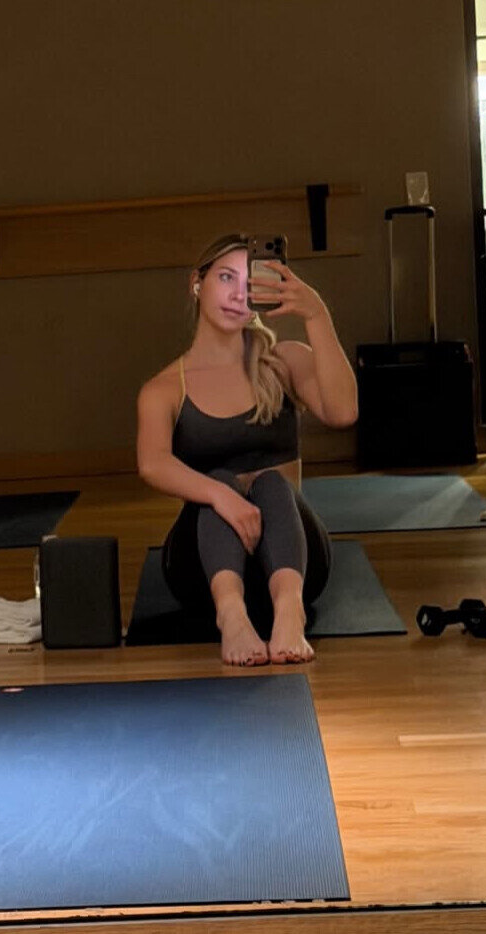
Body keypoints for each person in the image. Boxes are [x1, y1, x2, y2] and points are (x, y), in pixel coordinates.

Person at [136, 234, 358, 667]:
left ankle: (289, 614)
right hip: (204, 571)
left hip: (294, 559)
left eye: (247, 282)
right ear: (196, 283)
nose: (238, 293)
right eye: (225, 278)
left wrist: (316, 314)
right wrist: (221, 495)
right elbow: (152, 463)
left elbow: (344, 411)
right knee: (219, 482)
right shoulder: (163, 388)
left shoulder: (284, 361)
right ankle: (232, 617)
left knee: (272, 484)